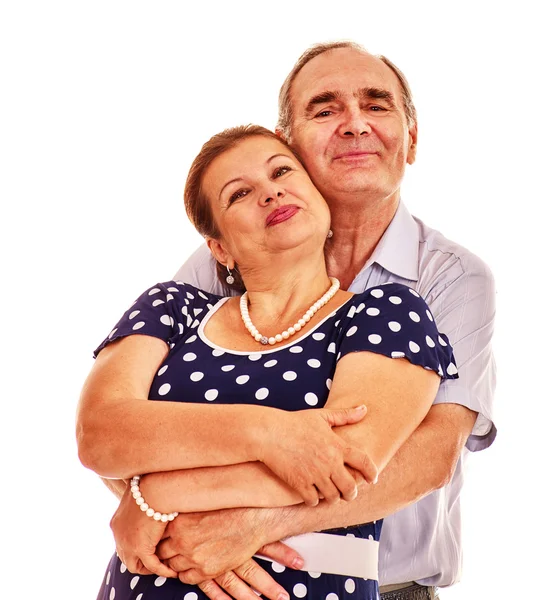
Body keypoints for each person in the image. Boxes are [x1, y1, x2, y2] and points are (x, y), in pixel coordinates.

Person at [112, 42, 495, 600]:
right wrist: (138, 499)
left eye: (377, 104)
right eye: (324, 109)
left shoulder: (454, 277)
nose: (355, 125)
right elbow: (139, 417)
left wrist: (254, 524)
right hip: (197, 570)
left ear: (411, 141)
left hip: (386, 587)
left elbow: (429, 456)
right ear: (288, 145)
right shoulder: (221, 261)